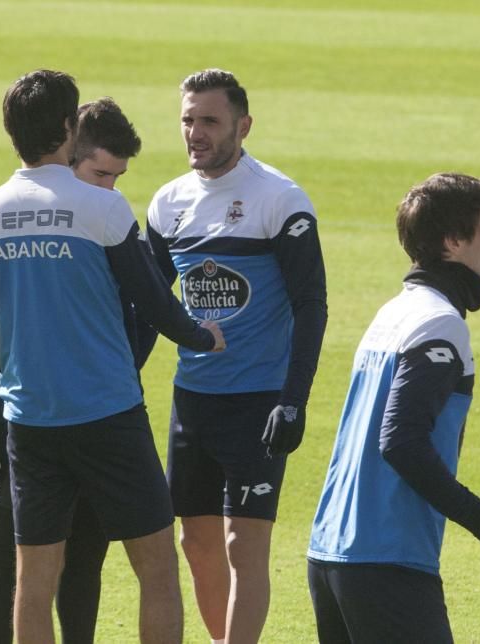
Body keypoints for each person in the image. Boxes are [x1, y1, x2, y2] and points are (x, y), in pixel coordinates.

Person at [0, 69, 225, 644]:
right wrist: (202, 336)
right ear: (66, 127)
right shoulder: (102, 209)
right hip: (109, 418)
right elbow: (154, 302)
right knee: (156, 569)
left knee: (32, 580)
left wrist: (2, 401)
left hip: (29, 422)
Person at [306, 172, 480, 643]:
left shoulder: (394, 312)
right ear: (453, 242)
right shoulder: (439, 322)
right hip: (385, 560)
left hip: (331, 553)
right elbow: (402, 442)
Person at [146, 68, 327, 644]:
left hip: (259, 402)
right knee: (194, 542)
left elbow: (311, 306)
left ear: (243, 126)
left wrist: (293, 401)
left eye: (209, 121)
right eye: (187, 120)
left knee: (241, 544)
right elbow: (149, 304)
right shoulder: (167, 204)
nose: (195, 132)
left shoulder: (279, 199)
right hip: (192, 401)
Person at [0, 96, 145, 643]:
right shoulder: (36, 217)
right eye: (100, 173)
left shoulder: (106, 217)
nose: (109, 186)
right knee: (11, 554)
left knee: (86, 554)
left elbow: (143, 316)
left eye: (117, 176)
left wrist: (109, 371)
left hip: (100, 411)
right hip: (31, 417)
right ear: (69, 157)